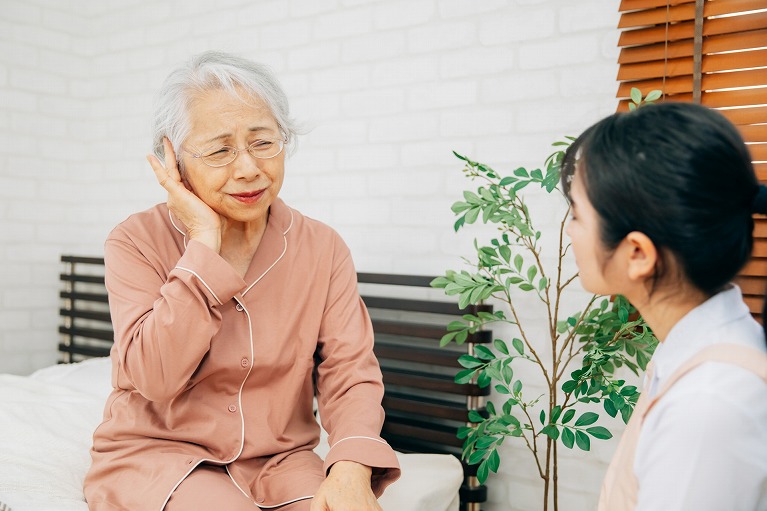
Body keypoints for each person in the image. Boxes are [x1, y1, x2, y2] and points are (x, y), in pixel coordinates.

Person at [83, 51, 400, 511]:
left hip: (280, 460)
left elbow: (349, 372)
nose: (249, 167)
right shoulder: (134, 241)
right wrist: (204, 245)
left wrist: (350, 465)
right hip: (160, 456)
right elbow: (154, 377)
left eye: (263, 142)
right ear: (172, 160)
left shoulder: (323, 246)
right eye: (220, 149)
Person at [560, 101, 767, 510]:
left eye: (577, 214)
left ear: (637, 253)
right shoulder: (687, 353)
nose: (568, 229)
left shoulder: (708, 404)